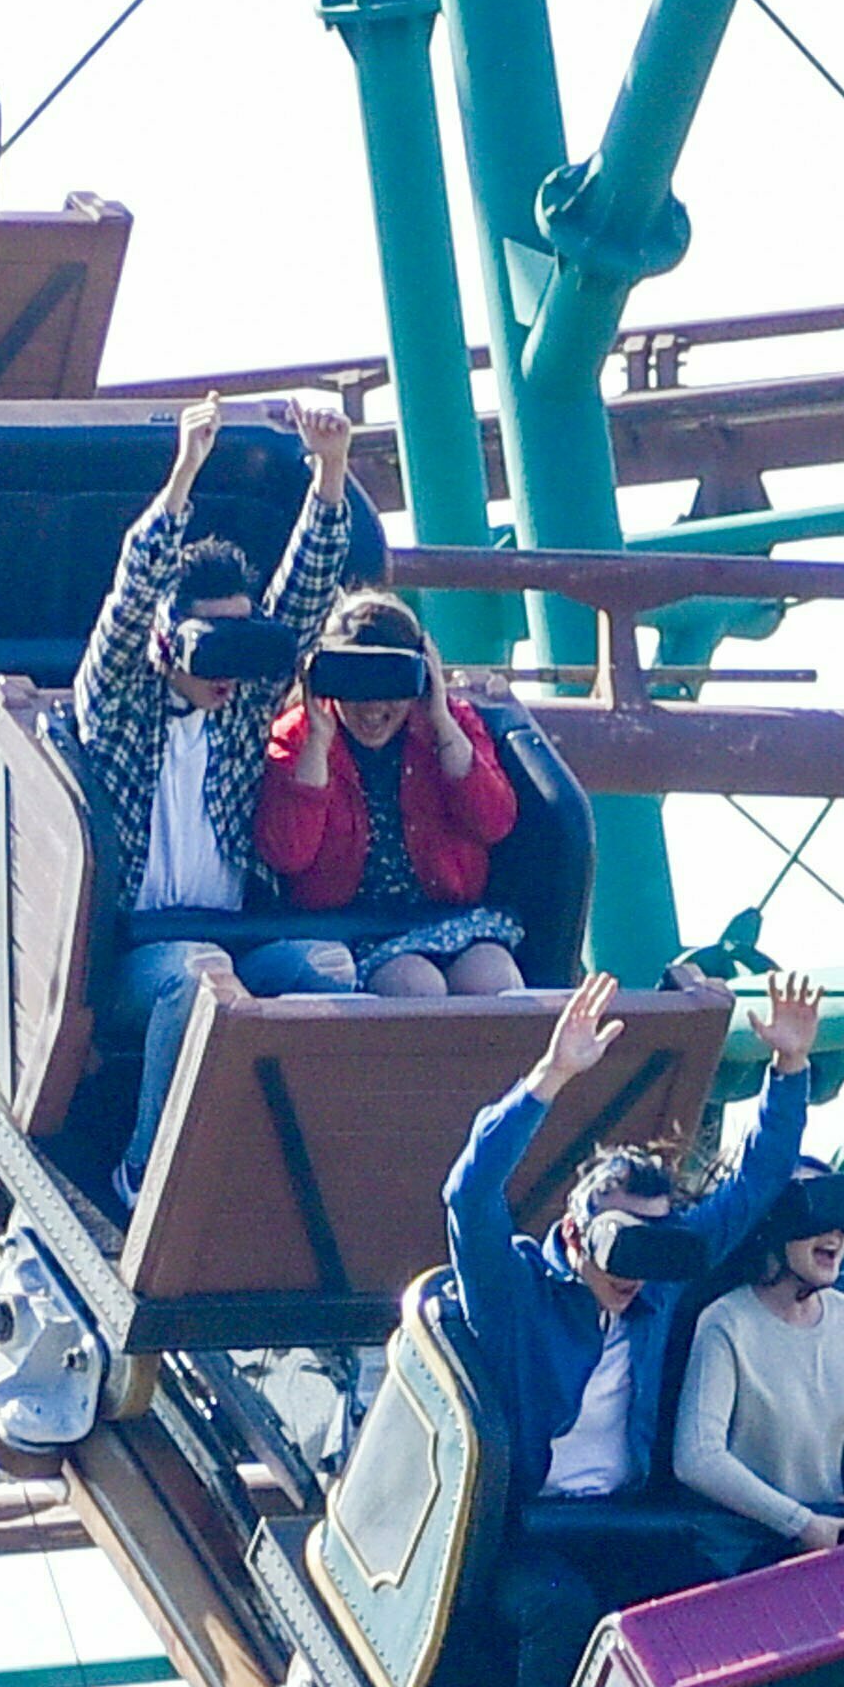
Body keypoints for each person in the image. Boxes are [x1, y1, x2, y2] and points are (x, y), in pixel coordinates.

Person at [447, 967, 826, 1687]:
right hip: (522, 1534)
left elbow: (753, 1186)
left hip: (626, 1517)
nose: (636, 1271)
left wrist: (788, 1070)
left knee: (726, 1591)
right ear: (578, 1238)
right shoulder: (518, 1295)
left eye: (653, 1250)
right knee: (562, 1611)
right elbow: (469, 1196)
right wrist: (551, 1078)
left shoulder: (659, 1282)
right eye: (622, 1247)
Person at [67, 394, 362, 1204]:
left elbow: (303, 602)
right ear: (173, 644)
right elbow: (128, 608)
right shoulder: (123, 703)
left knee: (330, 972)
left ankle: (328, 1174)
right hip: (134, 958)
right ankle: (146, 1172)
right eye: (215, 645)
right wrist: (183, 475)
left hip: (235, 942)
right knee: (193, 978)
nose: (232, 669)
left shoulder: (239, 714)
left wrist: (329, 475)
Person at [256, 591, 528, 999]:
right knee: (417, 987)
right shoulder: (299, 735)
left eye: (391, 681)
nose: (372, 707)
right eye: (354, 684)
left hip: (448, 915)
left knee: (493, 979)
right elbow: (288, 854)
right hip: (350, 928)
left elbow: (494, 822)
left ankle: (529, 1065)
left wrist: (440, 721)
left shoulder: (449, 724)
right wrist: (316, 745)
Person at [673, 1162, 844, 1562]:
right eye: (817, 1213)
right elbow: (697, 1457)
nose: (835, 1232)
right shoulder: (726, 1322)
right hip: (748, 1551)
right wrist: (800, 1523)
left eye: (842, 1217)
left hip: (835, 1547)